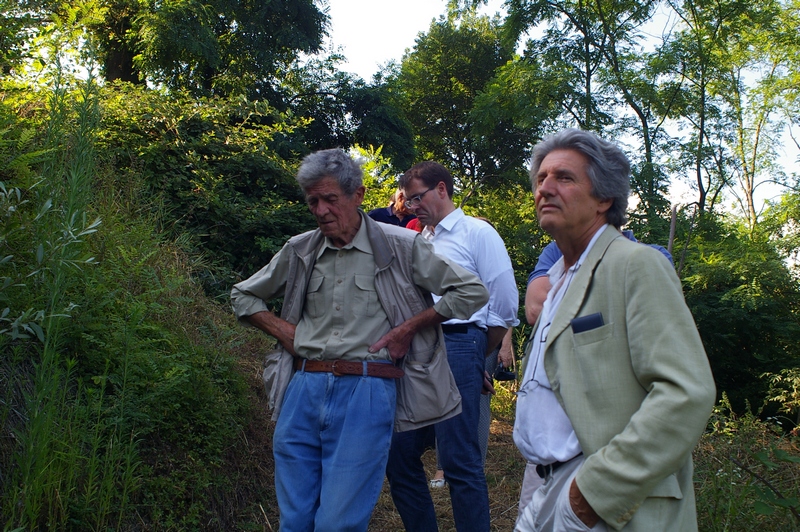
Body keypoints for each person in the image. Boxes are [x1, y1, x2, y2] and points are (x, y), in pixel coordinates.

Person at [230, 149, 489, 532]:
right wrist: (283, 331)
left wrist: (409, 327)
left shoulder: (401, 245)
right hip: (301, 387)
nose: (320, 210)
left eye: (330, 199)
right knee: (295, 520)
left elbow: (470, 291)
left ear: (358, 195)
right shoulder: (301, 248)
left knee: (337, 523)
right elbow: (242, 295)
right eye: (313, 201)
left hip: (367, 389)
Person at [514, 129, 715, 531]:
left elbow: (686, 392)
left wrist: (593, 492)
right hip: (542, 483)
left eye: (564, 178)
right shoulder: (555, 280)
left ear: (604, 199)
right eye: (541, 179)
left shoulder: (635, 264)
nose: (546, 188)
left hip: (599, 494)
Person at [386, 161, 519, 532]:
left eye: (418, 198)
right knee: (398, 456)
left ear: (441, 189)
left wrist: (477, 352)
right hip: (416, 353)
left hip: (462, 343)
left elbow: (504, 302)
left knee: (460, 459)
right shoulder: (415, 242)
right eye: (409, 201)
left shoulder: (477, 232)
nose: (412, 207)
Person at [516, 235, 673, 520]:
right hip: (542, 460)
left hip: (598, 456)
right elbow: (535, 310)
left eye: (566, 185)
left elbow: (680, 387)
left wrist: (586, 494)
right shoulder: (556, 250)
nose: (545, 193)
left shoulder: (648, 256)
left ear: (605, 198)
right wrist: (604, 303)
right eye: (540, 186)